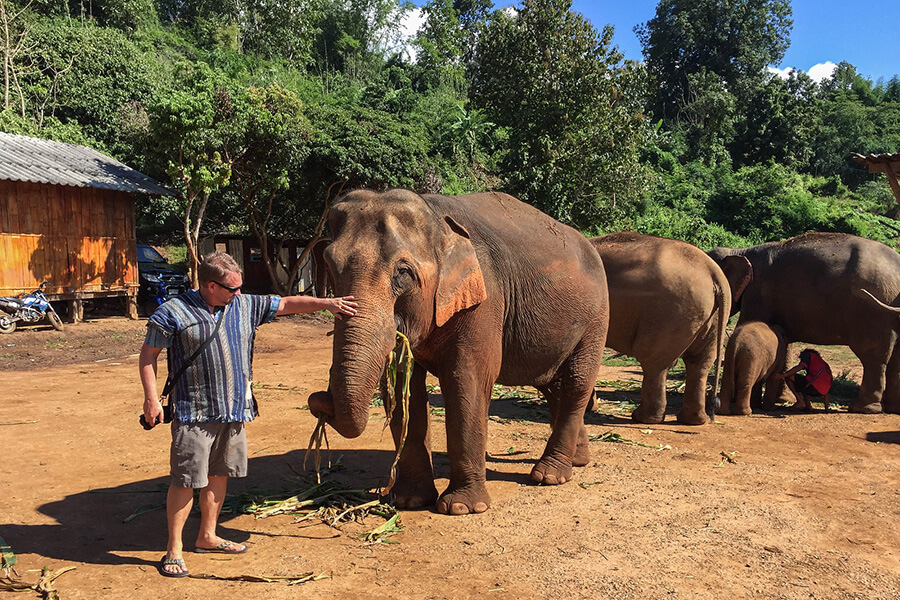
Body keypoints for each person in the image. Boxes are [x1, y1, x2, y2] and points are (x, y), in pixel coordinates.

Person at [138, 251, 358, 578]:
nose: (239, 294)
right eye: (232, 288)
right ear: (211, 285)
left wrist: (327, 304)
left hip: (233, 409)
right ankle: (174, 548)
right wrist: (151, 400)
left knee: (219, 475)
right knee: (186, 480)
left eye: (240, 287)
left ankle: (207, 536)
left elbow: (285, 304)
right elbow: (148, 356)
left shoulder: (243, 305)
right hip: (194, 412)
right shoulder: (173, 312)